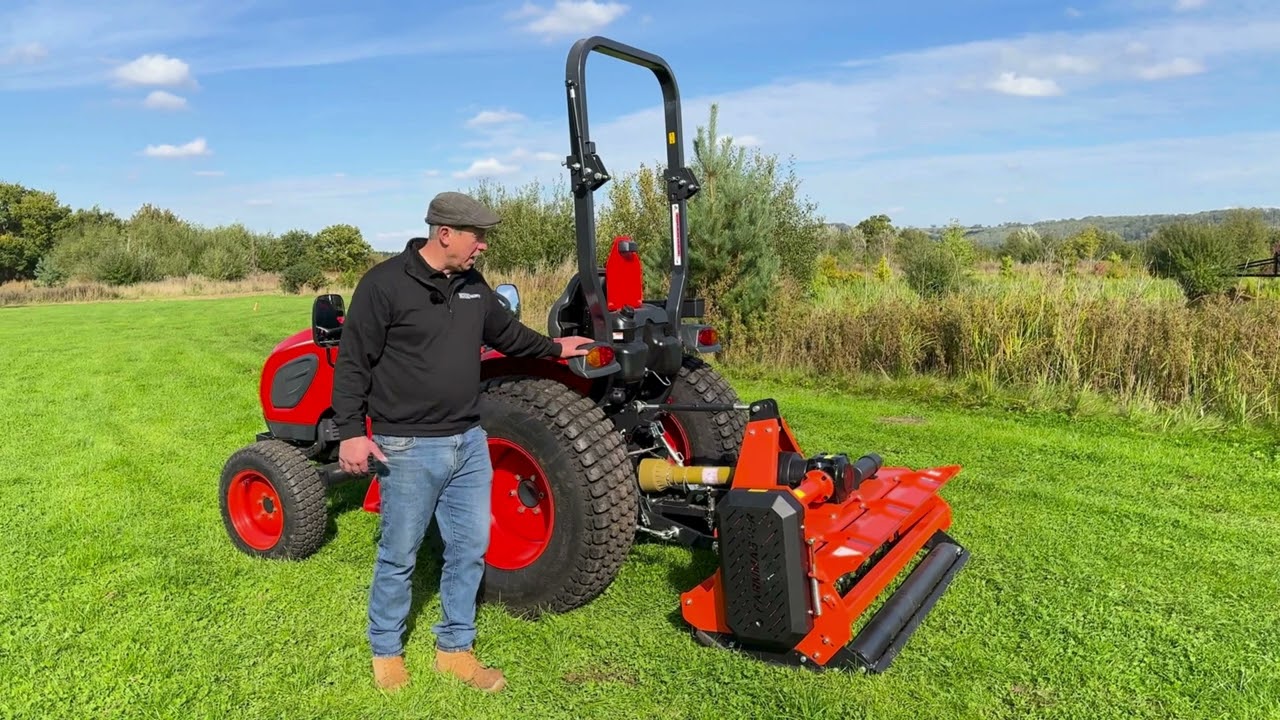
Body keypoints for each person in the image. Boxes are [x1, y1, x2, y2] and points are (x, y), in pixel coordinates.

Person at [330, 191, 593, 693]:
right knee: (399, 553)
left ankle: (454, 648)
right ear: (445, 234)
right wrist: (350, 434)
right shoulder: (383, 285)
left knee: (470, 548)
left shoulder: (473, 286)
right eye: (478, 236)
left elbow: (509, 335)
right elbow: (353, 363)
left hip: (469, 441)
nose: (484, 246)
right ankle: (386, 650)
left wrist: (557, 346)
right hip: (406, 446)